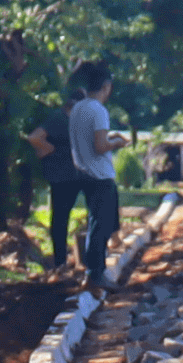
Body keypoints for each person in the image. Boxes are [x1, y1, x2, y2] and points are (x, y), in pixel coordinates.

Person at [57, 59, 123, 278]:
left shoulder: (77, 108)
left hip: (82, 171)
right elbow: (100, 145)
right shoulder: (99, 110)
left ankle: (95, 269)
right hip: (100, 174)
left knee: (98, 220)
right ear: (105, 87)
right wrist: (117, 143)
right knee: (100, 225)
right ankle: (95, 273)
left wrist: (107, 138)